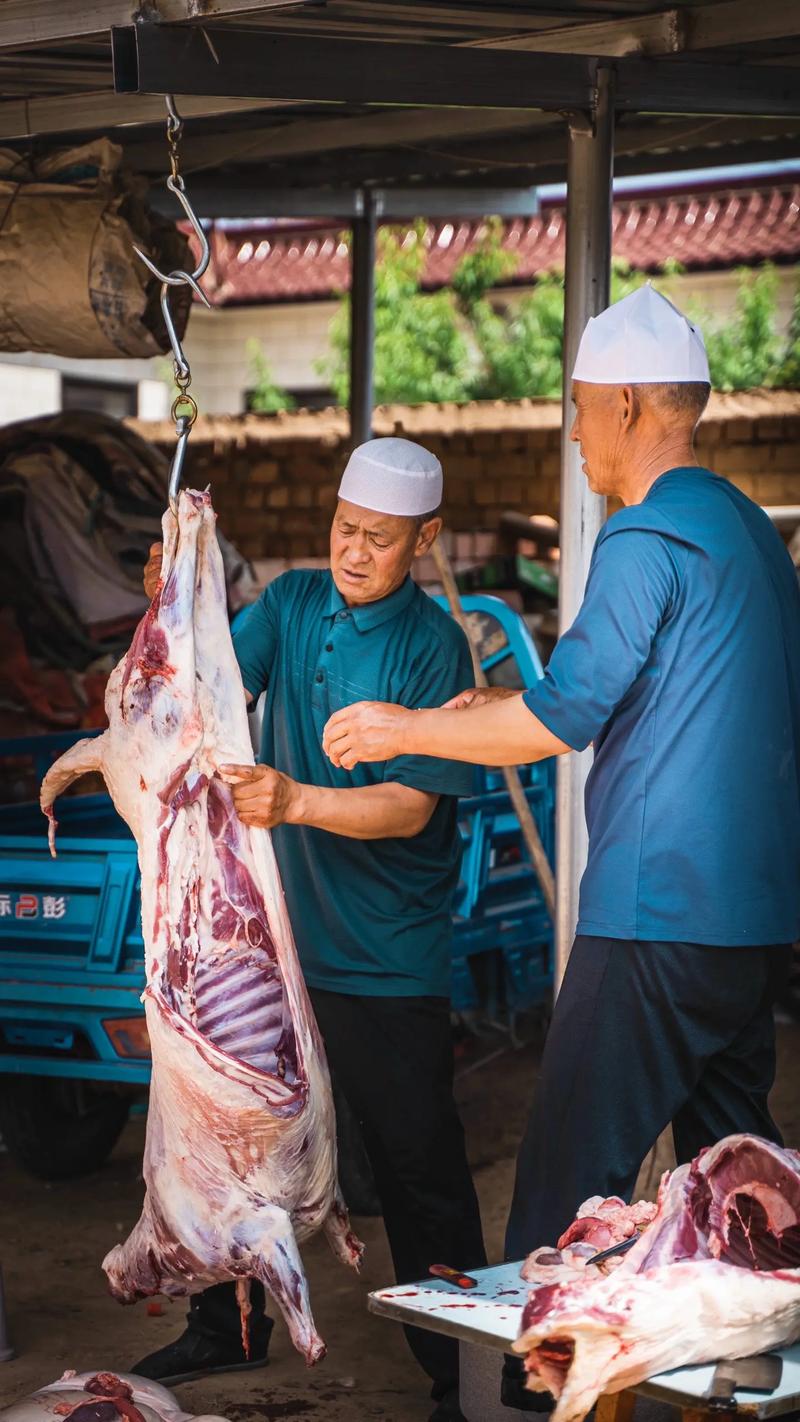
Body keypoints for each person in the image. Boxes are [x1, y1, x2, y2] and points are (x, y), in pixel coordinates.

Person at [321, 286, 800, 1409]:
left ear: (627, 404)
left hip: (656, 913)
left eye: (580, 408)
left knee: (565, 1186)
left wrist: (404, 728)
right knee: (736, 1175)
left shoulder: (644, 534)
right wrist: (487, 705)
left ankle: (535, 1395)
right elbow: (657, 695)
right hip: (750, 919)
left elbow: (561, 719)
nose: (574, 433)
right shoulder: (746, 531)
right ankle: (748, 1365)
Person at [133, 437, 486, 1422]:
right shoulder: (291, 605)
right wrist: (172, 604)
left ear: (424, 540)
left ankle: (460, 1373)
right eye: (344, 528)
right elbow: (203, 680)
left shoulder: (434, 647)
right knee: (232, 1140)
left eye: (380, 538)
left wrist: (294, 801)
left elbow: (410, 807)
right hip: (272, 946)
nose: (354, 551)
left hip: (384, 954)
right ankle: (225, 1325)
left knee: (416, 1167)